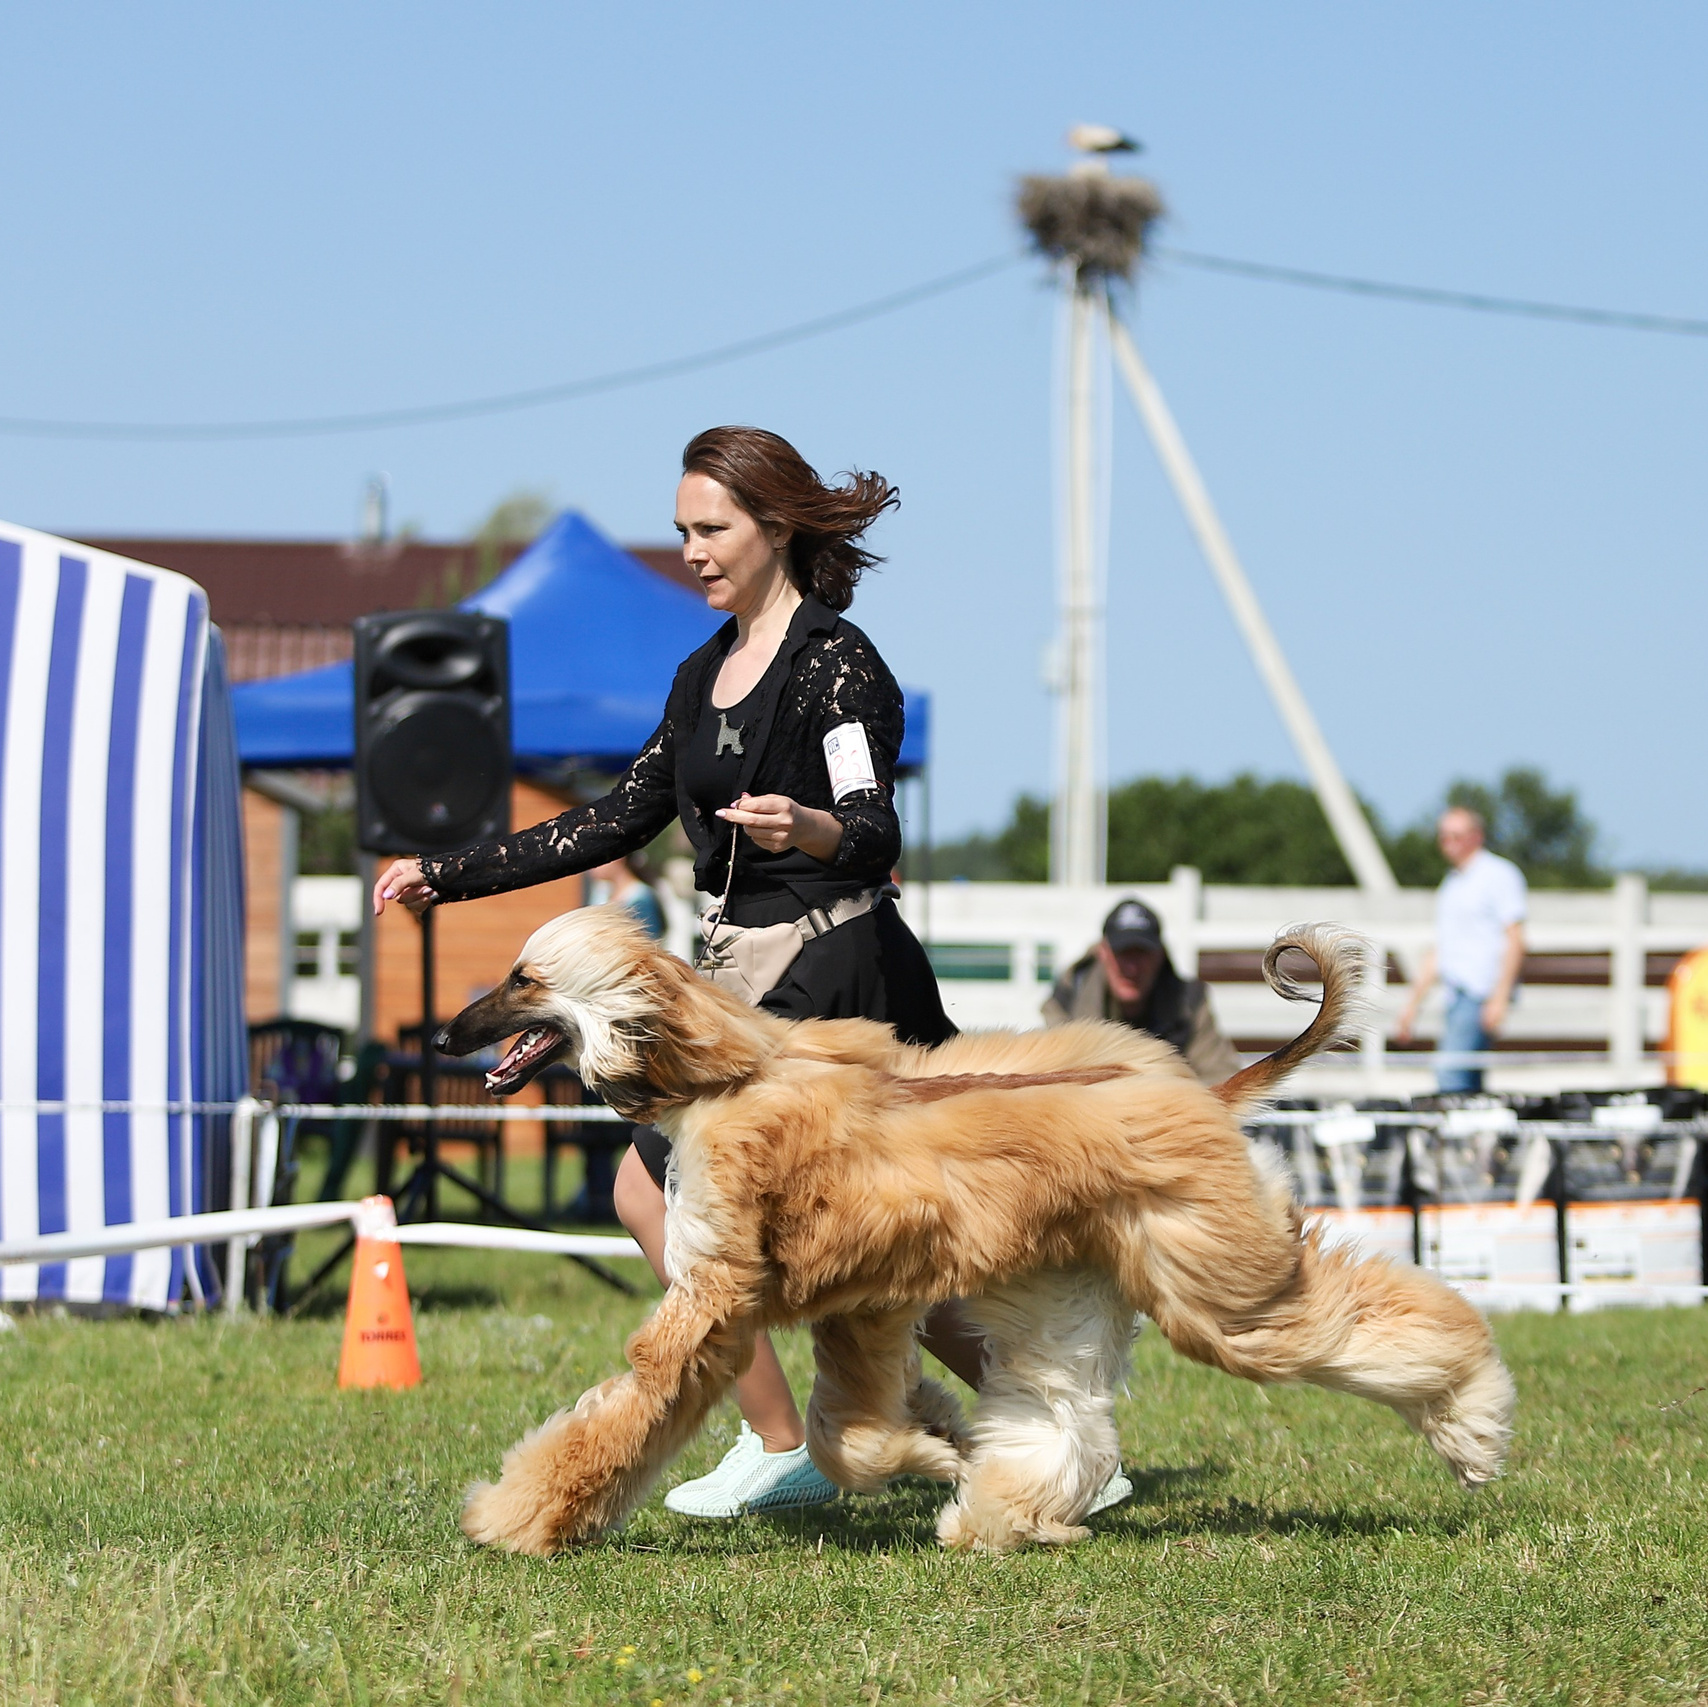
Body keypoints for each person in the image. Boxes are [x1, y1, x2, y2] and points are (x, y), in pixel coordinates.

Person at [373, 425, 973, 1518]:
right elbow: (616, 817)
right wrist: (446, 875)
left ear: (776, 526)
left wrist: (808, 828)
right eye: (681, 531)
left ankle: (845, 1439)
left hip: (833, 961)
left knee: (692, 1194)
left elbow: (874, 829)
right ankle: (837, 1437)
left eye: (712, 529)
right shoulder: (702, 673)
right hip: (740, 973)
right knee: (845, 1236)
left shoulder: (837, 661)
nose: (691, 550)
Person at [1393, 806, 1527, 1094]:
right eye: (1444, 837)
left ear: (1476, 837)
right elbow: (1441, 949)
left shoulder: (1498, 875)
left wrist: (1500, 997)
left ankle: (1456, 1137)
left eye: (1456, 836)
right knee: (1469, 1079)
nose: (1449, 844)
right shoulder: (1451, 884)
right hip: (1455, 994)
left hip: (1480, 992)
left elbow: (1515, 939)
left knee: (1450, 1073)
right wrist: (1412, 1005)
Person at [1043, 898, 1241, 1086]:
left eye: (1141, 954)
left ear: (1160, 955)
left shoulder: (1188, 1002)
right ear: (1103, 952)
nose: (1132, 968)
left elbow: (1220, 1074)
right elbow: (1058, 1082)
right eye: (1123, 954)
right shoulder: (1067, 1000)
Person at [587, 850, 666, 939]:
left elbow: (649, 943)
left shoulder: (642, 899)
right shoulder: (602, 894)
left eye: (597, 859)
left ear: (618, 859)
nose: (591, 867)